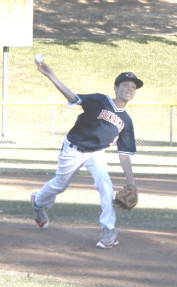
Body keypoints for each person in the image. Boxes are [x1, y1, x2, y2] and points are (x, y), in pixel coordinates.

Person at [31, 61, 143, 249]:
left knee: (105, 186)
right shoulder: (99, 100)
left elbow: (124, 155)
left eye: (133, 87)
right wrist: (51, 75)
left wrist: (131, 182)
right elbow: (73, 97)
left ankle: (109, 232)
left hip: (96, 153)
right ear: (116, 88)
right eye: (125, 85)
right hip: (73, 149)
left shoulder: (126, 121)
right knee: (59, 185)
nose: (129, 89)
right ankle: (38, 202)